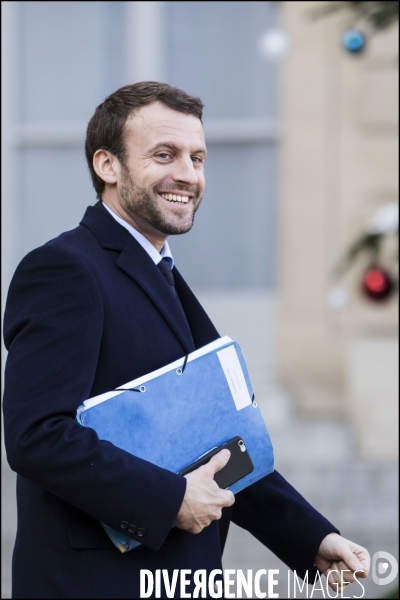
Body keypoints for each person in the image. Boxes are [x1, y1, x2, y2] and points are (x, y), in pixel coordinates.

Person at [3, 81, 370, 599]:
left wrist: (312, 540)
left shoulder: (162, 275)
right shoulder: (64, 269)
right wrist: (171, 497)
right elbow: (36, 435)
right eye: (164, 154)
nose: (188, 175)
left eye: (197, 158)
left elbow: (218, 444)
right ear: (108, 166)